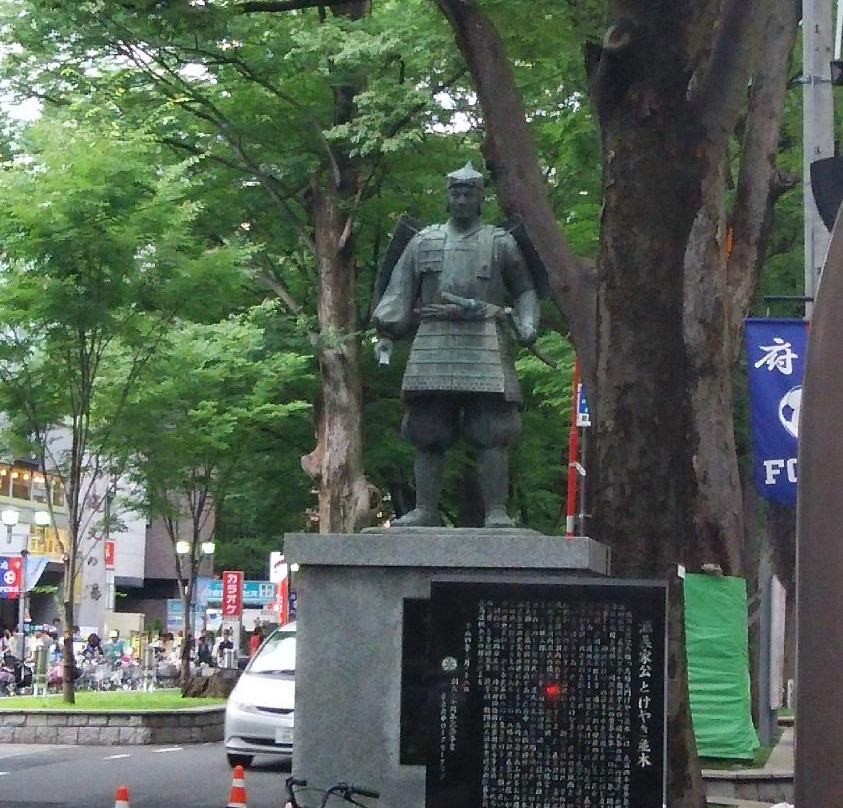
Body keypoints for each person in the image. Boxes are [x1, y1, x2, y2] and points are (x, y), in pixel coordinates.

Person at [372, 162, 539, 527]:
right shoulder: (423, 242)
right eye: (456, 193)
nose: (462, 199)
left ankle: (496, 512)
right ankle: (425, 510)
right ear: (447, 197)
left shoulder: (500, 242)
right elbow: (399, 291)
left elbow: (525, 290)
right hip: (434, 340)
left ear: (481, 199)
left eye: (469, 193)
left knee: (492, 428)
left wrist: (527, 324)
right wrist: (386, 334)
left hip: (485, 340)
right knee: (427, 427)